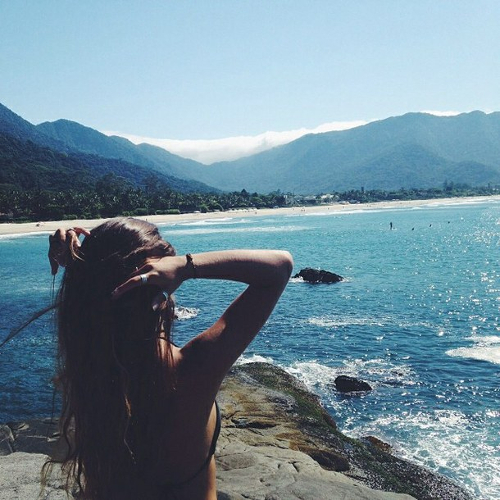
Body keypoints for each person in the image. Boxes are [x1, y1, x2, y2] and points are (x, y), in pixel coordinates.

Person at [46, 217, 293, 500]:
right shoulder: (190, 370)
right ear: (160, 295)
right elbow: (279, 266)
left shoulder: (90, 366)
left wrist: (80, 265)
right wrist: (187, 266)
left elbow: (97, 298)